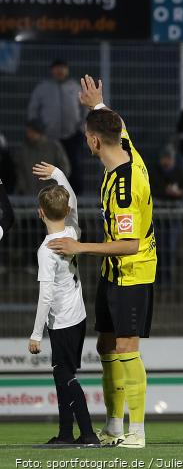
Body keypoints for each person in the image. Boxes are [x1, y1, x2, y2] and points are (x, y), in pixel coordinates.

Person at [49, 75, 156, 448]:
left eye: (86, 136)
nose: (86, 141)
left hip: (132, 273)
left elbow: (129, 245)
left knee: (127, 348)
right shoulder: (127, 153)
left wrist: (79, 247)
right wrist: (96, 104)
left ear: (94, 141)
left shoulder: (124, 188)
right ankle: (113, 425)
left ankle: (137, 431)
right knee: (107, 347)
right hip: (114, 274)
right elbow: (118, 127)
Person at [28, 162, 99, 446]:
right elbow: (75, 201)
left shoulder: (47, 250)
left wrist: (36, 334)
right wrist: (58, 173)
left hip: (62, 322)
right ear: (67, 209)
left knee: (64, 374)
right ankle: (66, 433)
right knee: (62, 375)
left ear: (40, 213)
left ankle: (88, 433)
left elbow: (45, 296)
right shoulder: (72, 233)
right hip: (77, 317)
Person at [27, 59, 86, 194]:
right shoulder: (42, 88)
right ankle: (48, 198)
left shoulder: (75, 87)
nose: (59, 71)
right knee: (49, 169)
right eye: (56, 68)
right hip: (49, 138)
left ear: (67, 70)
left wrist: (82, 128)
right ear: (51, 70)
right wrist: (38, 130)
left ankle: (77, 199)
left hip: (73, 136)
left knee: (75, 168)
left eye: (62, 68)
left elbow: (85, 108)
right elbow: (33, 109)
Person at [149, 145, 183, 286]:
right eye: (164, 158)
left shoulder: (178, 171)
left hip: (173, 215)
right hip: (158, 216)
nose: (166, 161)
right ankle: (157, 279)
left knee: (170, 249)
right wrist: (166, 191)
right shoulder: (154, 171)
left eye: (169, 158)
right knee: (157, 248)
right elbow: (152, 190)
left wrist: (178, 193)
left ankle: (168, 280)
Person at [14, 119, 71, 196]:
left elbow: (65, 168)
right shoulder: (24, 149)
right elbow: (20, 170)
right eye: (28, 131)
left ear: (39, 132)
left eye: (31, 131)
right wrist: (22, 187)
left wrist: (54, 187)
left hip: (51, 195)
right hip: (29, 194)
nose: (28, 134)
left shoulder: (54, 147)